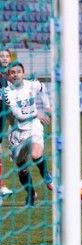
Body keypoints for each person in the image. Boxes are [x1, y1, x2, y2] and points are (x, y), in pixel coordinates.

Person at [2, 60, 52, 206]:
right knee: (22, 168)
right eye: (12, 73)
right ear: (8, 76)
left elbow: (43, 88)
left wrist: (48, 107)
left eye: (18, 72)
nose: (15, 75)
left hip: (34, 127)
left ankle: (48, 177)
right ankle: (31, 193)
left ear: (23, 73)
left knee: (36, 154)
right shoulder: (7, 93)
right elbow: (18, 115)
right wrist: (37, 113)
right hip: (17, 133)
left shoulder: (33, 84)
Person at [0, 48, 14, 197]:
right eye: (1, 56)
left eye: (6, 56)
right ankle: (2, 187)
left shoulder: (12, 75)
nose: (4, 58)